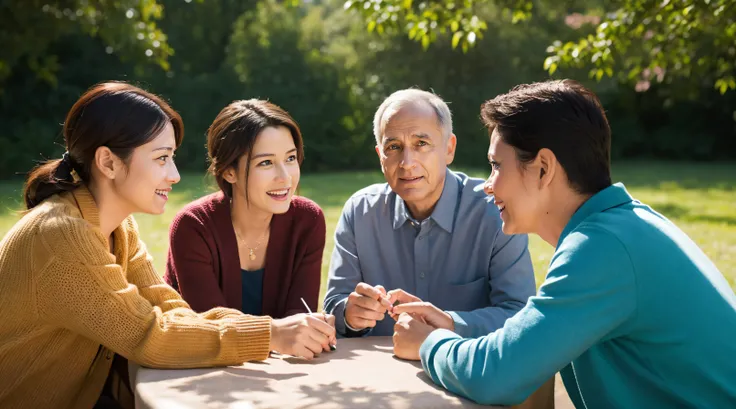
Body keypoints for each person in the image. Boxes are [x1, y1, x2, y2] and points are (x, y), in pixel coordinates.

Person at [391, 79, 736, 407]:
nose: (488, 185)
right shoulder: (620, 227)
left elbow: (499, 374)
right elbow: (529, 340)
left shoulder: (603, 248)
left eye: (496, 166)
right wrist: (452, 326)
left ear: (543, 168)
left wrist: (429, 344)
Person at [0, 82, 336, 409]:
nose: (175, 174)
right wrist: (270, 333)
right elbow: (148, 334)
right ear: (108, 163)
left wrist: (268, 331)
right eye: (161, 158)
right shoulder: (61, 236)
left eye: (172, 157)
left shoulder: (119, 228)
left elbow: (172, 309)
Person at [323, 88, 536, 338]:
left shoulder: (495, 211)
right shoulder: (359, 213)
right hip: (378, 371)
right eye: (394, 147)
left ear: (449, 148)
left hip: (467, 371)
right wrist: (350, 314)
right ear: (381, 156)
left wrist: (449, 322)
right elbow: (335, 305)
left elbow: (520, 314)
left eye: (421, 144)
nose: (407, 162)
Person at [164, 100, 325, 317]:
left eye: (290, 158)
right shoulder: (194, 226)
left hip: (285, 353)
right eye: (266, 162)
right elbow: (213, 328)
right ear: (229, 172)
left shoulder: (308, 220)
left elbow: (299, 316)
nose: (285, 177)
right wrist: (280, 335)